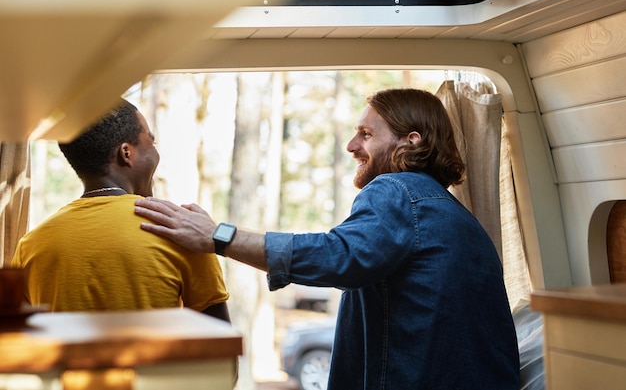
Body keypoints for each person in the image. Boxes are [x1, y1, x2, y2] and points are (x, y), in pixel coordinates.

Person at [134, 88, 520, 389]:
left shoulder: (396, 190)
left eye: (366, 135)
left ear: (411, 141)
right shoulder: (451, 213)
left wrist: (218, 237)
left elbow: (339, 255)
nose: (351, 147)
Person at [12, 98, 230, 322]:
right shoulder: (182, 232)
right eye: (151, 143)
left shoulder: (30, 247)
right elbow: (223, 346)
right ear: (126, 153)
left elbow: (22, 343)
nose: (156, 154)